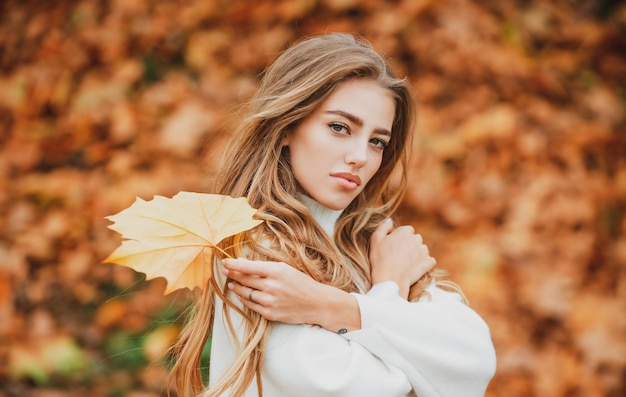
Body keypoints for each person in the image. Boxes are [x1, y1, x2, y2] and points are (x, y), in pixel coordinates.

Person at [169, 33, 496, 397]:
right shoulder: (250, 244)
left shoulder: (376, 244)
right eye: (340, 127)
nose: (361, 155)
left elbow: (475, 361)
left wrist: (331, 306)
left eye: (377, 141)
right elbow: (355, 388)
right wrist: (390, 291)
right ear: (287, 127)